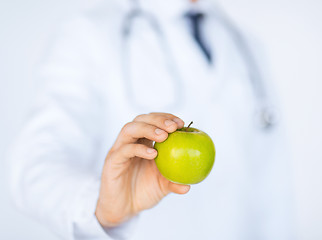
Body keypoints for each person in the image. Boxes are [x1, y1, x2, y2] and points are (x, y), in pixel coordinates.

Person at [8, 0, 295, 239]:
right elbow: (35, 168)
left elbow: (271, 181)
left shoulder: (246, 45)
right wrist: (99, 206)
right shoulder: (89, 33)